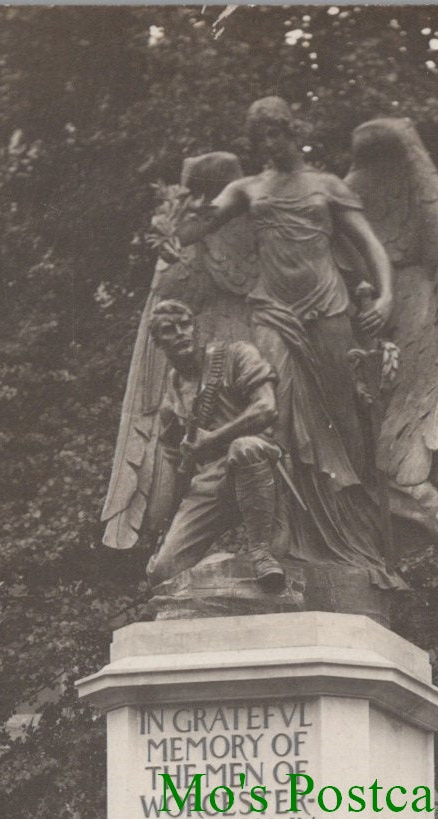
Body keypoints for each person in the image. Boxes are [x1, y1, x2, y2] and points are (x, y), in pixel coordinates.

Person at [171, 95, 404, 589]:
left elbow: (371, 246)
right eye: (260, 138)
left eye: (275, 133)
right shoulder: (247, 188)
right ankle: (276, 543)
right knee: (273, 420)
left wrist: (385, 297)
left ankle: (352, 540)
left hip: (329, 310)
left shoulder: (328, 186)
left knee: (342, 422)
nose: (268, 145)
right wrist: (175, 217)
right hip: (272, 311)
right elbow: (193, 230)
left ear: (293, 132)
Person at [143, 300, 286, 594]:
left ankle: (261, 553)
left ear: (195, 329)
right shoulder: (172, 395)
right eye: (169, 330)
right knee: (163, 572)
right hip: (212, 479)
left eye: (185, 325)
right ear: (158, 342)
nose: (180, 333)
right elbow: (174, 461)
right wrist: (165, 525)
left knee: (244, 447)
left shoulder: (236, 356)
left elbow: (266, 407)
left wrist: (212, 439)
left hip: (261, 464)